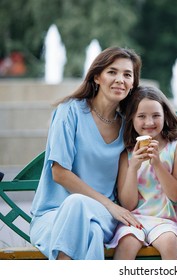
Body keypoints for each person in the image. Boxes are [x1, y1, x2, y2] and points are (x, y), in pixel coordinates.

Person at [29, 47, 143, 260]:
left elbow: (127, 199)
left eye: (127, 75)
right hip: (53, 215)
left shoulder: (128, 125)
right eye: (112, 72)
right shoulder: (69, 111)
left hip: (103, 216)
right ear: (97, 77)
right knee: (88, 228)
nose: (120, 79)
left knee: (83, 212)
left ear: (133, 84)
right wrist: (109, 204)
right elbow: (59, 173)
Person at [106, 86, 177, 260]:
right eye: (142, 116)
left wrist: (158, 164)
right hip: (134, 220)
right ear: (132, 119)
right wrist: (134, 168)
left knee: (169, 242)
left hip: (165, 221)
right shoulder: (127, 154)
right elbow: (128, 205)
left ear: (165, 115)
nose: (149, 122)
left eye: (156, 115)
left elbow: (176, 196)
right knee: (127, 243)